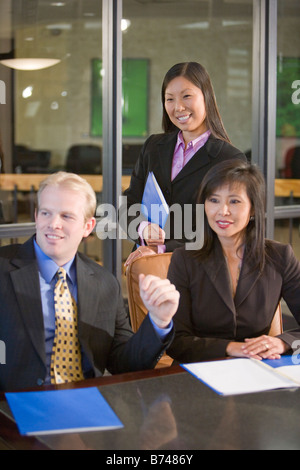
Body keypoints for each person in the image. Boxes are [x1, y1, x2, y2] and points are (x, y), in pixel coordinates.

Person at [0, 172, 179, 392]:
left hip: (86, 404)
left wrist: (158, 322)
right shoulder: (3, 269)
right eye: (46, 213)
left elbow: (124, 365)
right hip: (14, 407)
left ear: (88, 226)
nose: (53, 224)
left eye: (66, 216)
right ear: (36, 216)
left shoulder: (104, 284)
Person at [166, 159, 300, 363]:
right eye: (214, 200)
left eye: (234, 201)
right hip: (199, 371)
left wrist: (282, 343)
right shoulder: (184, 259)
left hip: (259, 369)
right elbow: (176, 341)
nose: (223, 211)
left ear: (253, 209)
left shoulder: (280, 257)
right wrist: (233, 348)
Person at [120, 62, 247, 264]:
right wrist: (143, 228)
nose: (178, 107)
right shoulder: (153, 147)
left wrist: (162, 248)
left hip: (198, 272)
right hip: (149, 269)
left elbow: (222, 227)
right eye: (169, 99)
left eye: (187, 96)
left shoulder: (229, 159)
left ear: (206, 97)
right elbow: (128, 204)